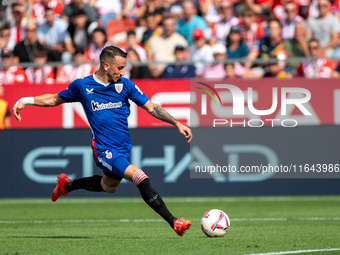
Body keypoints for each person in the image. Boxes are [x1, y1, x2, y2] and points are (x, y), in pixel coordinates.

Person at [12, 46, 192, 237]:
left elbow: (152, 107)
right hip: (104, 150)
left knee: (108, 187)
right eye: (119, 68)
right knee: (141, 178)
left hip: (123, 148)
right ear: (106, 65)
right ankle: (174, 222)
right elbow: (54, 99)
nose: (122, 72)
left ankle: (66, 186)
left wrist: (177, 123)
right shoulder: (82, 86)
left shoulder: (126, 85)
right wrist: (25, 100)